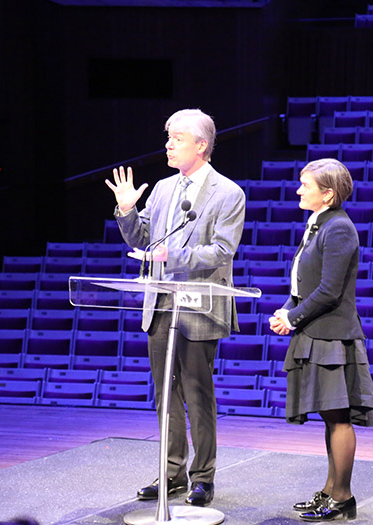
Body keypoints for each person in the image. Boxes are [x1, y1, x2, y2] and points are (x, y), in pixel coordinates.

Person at [106, 109, 245, 507]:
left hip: (199, 305)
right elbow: (143, 239)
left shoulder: (228, 193)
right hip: (162, 303)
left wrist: (174, 255)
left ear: (201, 145)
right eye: (168, 137)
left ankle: (203, 477)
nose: (168, 144)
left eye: (177, 138)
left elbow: (221, 251)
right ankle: (172, 473)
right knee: (164, 393)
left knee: (197, 393)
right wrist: (128, 210)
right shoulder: (165, 188)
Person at [269, 158, 373, 522]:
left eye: (306, 185)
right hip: (315, 333)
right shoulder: (318, 225)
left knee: (338, 417)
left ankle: (342, 496)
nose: (299, 190)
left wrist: (293, 317)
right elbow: (303, 285)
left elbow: (330, 291)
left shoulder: (339, 228)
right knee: (331, 418)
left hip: (333, 337)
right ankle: (330, 490)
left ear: (327, 193)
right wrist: (286, 312)